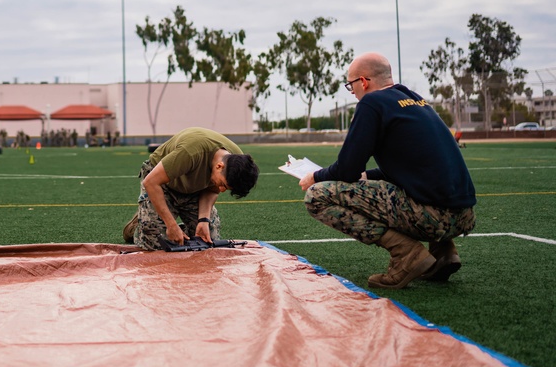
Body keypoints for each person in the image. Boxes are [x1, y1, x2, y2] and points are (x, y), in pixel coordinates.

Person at [298, 52, 477, 289]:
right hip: (464, 216)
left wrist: (315, 176)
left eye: (351, 86)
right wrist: (366, 176)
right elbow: (414, 167)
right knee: (405, 189)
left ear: (363, 81)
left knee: (316, 196)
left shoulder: (371, 103)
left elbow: (347, 169)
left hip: (434, 218)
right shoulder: (415, 100)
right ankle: (444, 251)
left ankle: (407, 255)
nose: (353, 93)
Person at [123, 127, 259, 250]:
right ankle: (141, 225)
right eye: (222, 185)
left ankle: (164, 221)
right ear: (219, 166)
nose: (221, 190)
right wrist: (170, 224)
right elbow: (151, 182)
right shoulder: (191, 152)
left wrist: (203, 220)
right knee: (156, 243)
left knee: (208, 238)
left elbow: (212, 190)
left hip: (194, 188)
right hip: (162, 184)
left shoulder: (236, 162)